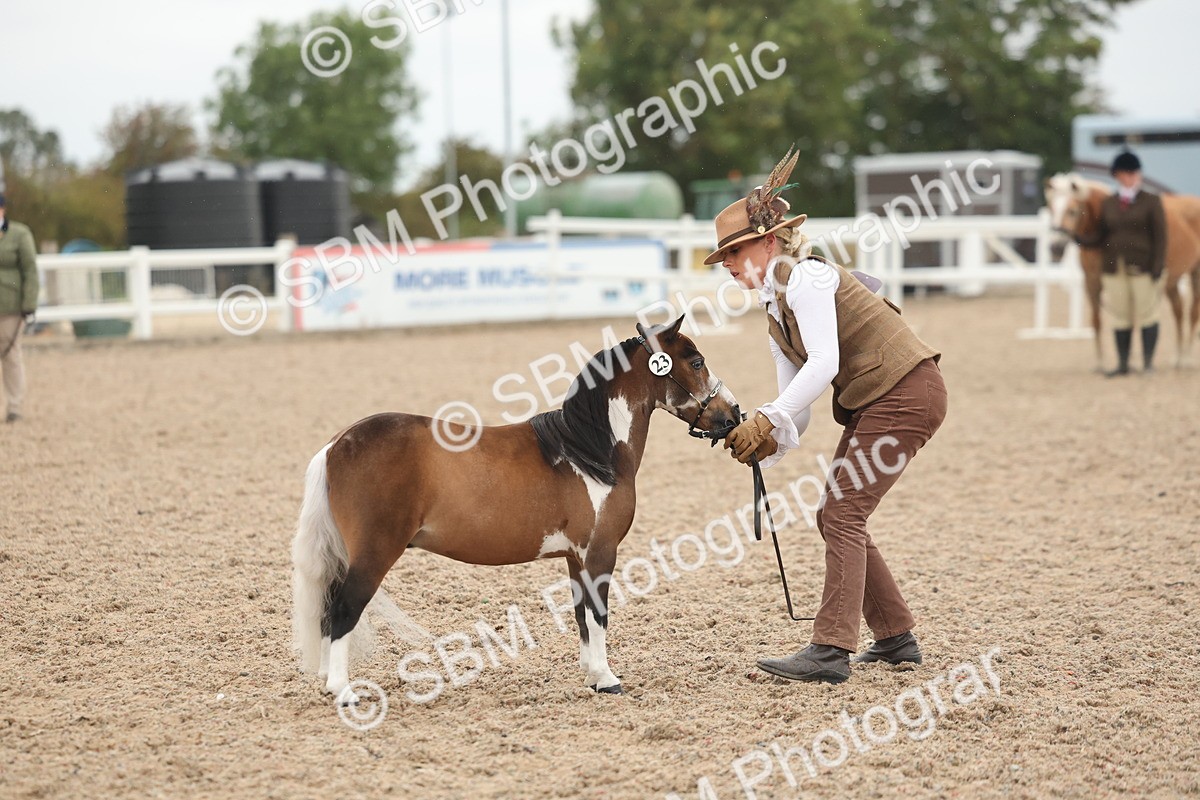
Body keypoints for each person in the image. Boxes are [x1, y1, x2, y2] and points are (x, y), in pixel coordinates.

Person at [707, 148, 947, 684]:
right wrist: (768, 447)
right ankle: (894, 638)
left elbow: (825, 364)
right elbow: (801, 405)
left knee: (841, 514)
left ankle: (830, 649)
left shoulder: (807, 279)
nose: (728, 263)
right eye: (725, 256)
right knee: (836, 514)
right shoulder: (776, 311)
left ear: (770, 241)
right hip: (888, 398)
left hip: (905, 394)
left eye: (737, 251)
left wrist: (768, 419)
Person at [1078, 150, 1167, 376]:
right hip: (1114, 267)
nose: (1130, 177)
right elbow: (1101, 235)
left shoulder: (1151, 201)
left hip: (1142, 266)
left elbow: (1160, 237)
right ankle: (1123, 363)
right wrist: (1079, 238)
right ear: (1117, 175)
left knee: (1147, 313)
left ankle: (1148, 363)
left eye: (1133, 173)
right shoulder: (1110, 203)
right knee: (1120, 315)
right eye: (1125, 173)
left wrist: (1157, 266)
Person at [0, 192, 39, 423]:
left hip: (10, 305)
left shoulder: (19, 234)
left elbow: (30, 270)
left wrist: (29, 303)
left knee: (11, 355)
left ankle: (15, 405)